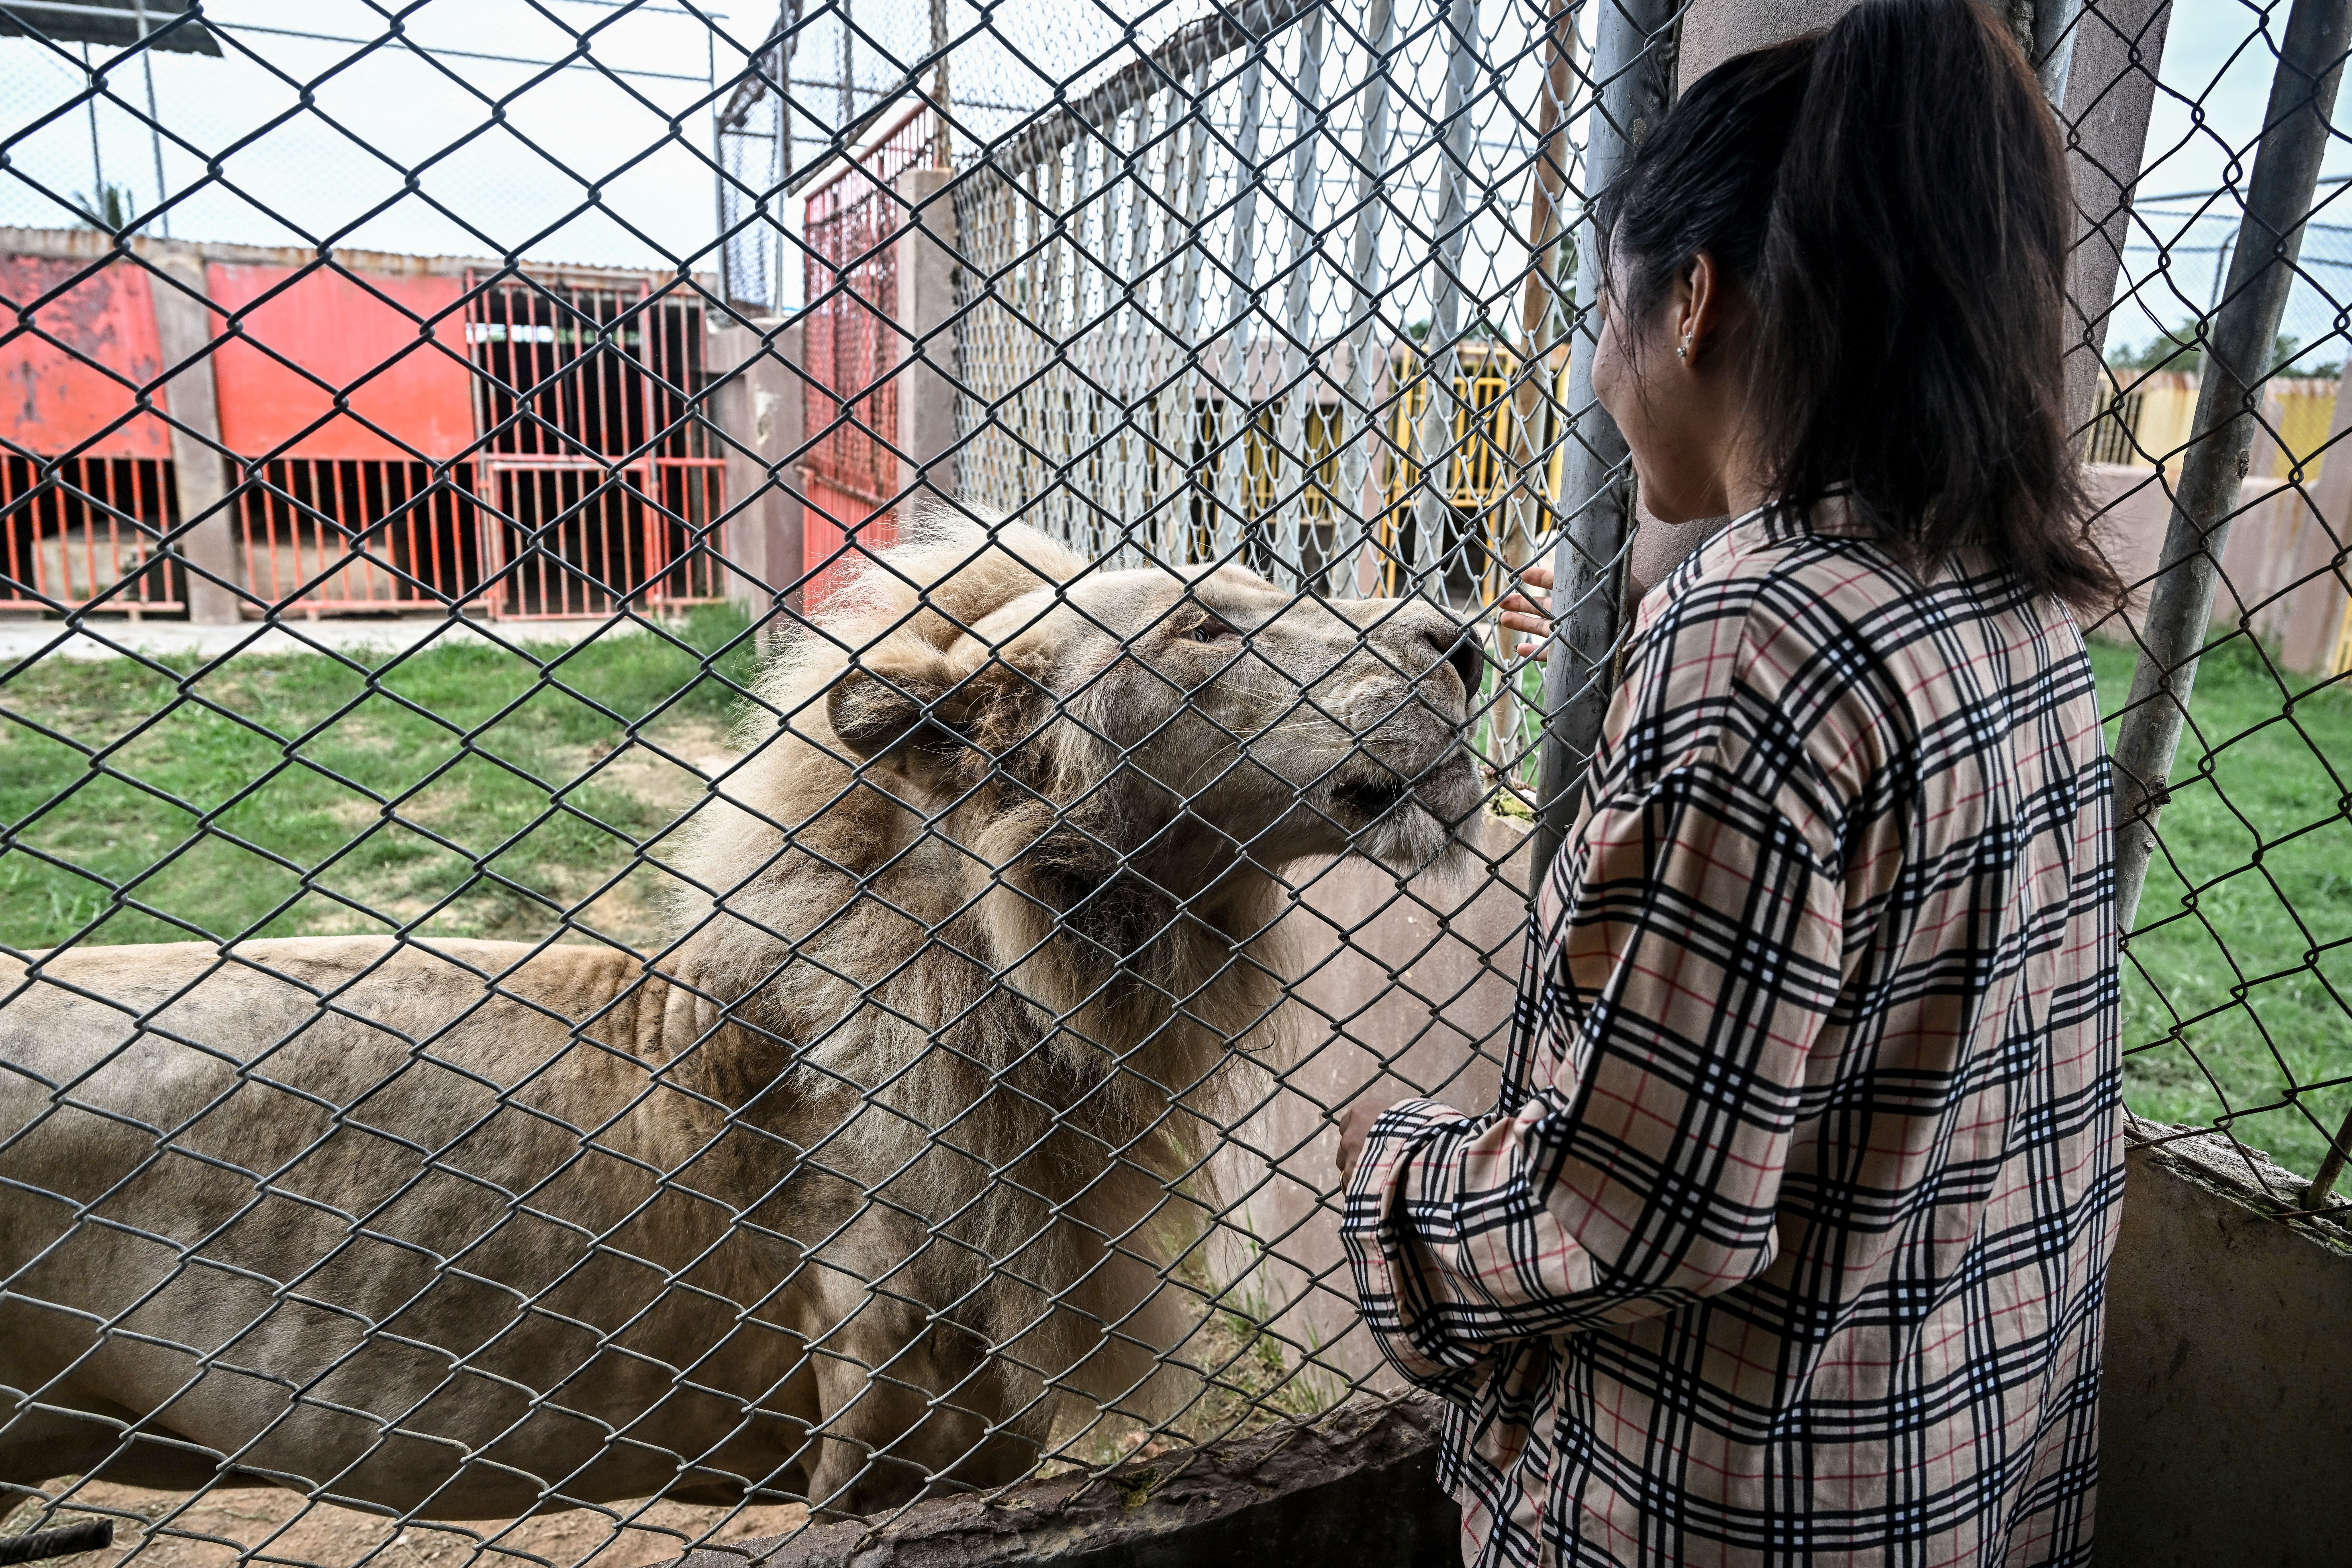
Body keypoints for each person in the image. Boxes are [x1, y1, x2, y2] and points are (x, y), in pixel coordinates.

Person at [1335, 3, 2125, 1564]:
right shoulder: (2005, 597)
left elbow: (1642, 1207)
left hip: (1722, 1507)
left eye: (1602, 311)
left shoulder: (1759, 631)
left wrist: (1399, 1193)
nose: (1600, 372)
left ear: (1691, 301)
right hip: (1962, 1460)